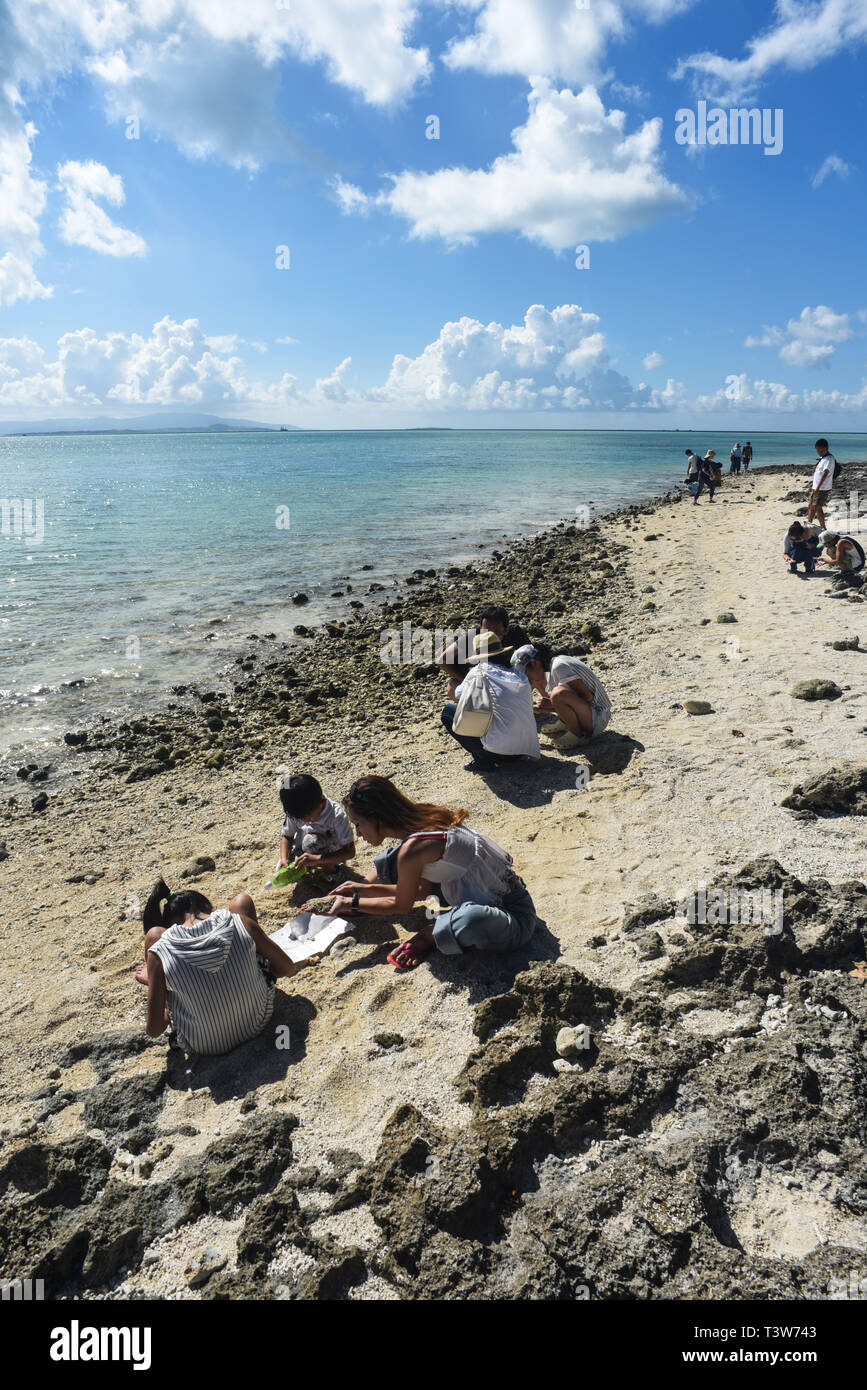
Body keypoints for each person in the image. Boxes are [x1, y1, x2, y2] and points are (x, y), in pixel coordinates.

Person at [328, 776, 536, 971]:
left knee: (471, 920)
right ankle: (366, 902)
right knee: (395, 860)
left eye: (358, 824)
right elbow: (420, 891)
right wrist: (363, 889)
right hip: (481, 886)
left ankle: (430, 935)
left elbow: (402, 905)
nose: (358, 833)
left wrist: (351, 903)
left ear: (376, 817)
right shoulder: (424, 818)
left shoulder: (413, 849)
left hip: (513, 915)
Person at [137, 880, 296, 1054]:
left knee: (153, 935)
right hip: (259, 1020)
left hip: (204, 1045)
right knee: (241, 901)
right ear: (210, 908)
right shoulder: (239, 921)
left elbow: (154, 1030)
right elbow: (287, 968)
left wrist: (158, 984)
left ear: (170, 926)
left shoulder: (161, 949)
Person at [441, 632, 540, 770]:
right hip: (527, 749)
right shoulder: (518, 674)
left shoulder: (479, 671)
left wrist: (454, 683)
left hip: (501, 754)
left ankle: (483, 760)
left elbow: (456, 695)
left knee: (448, 712)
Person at [512, 643, 611, 751]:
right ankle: (566, 722)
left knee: (558, 694)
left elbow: (587, 697)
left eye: (526, 673)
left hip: (599, 716)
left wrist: (550, 705)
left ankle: (577, 735)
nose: (527, 678)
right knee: (549, 690)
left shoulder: (559, 666)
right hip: (588, 712)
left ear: (534, 663)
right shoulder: (551, 666)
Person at [438, 604, 530, 699]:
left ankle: (541, 704)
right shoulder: (473, 636)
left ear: (506, 630)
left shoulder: (515, 634)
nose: (488, 636)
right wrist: (463, 680)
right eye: (485, 632)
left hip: (509, 678)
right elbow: (442, 659)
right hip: (477, 677)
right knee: (451, 687)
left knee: (534, 670)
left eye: (495, 632)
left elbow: (534, 661)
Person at [276, 772, 355, 876]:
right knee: (294, 860)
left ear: (322, 802)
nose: (306, 821)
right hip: (304, 850)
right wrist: (284, 858)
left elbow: (350, 852)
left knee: (312, 842)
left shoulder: (336, 815)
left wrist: (317, 859)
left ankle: (332, 872)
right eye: (301, 818)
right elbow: (287, 836)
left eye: (308, 817)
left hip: (330, 853)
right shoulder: (297, 811)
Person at [807, 439, 836, 527]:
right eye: (817, 450)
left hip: (822, 488)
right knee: (812, 506)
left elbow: (825, 473)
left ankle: (823, 527)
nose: (819, 452)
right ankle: (809, 524)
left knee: (817, 507)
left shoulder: (829, 459)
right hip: (817, 487)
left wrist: (818, 487)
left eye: (821, 450)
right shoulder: (823, 458)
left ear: (826, 448)